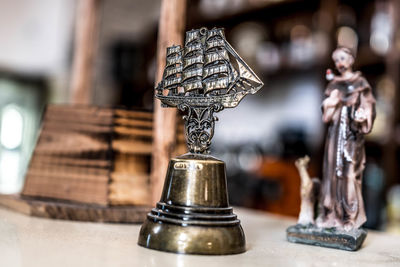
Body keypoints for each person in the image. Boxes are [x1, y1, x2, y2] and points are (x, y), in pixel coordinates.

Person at [316, 47, 376, 231]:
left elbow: (369, 108)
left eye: (342, 58)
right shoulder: (334, 84)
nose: (339, 64)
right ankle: (332, 214)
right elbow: (326, 115)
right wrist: (330, 103)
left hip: (351, 136)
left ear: (351, 59)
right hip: (335, 136)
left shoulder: (361, 83)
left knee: (348, 175)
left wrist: (362, 114)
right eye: (336, 61)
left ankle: (349, 216)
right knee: (333, 175)